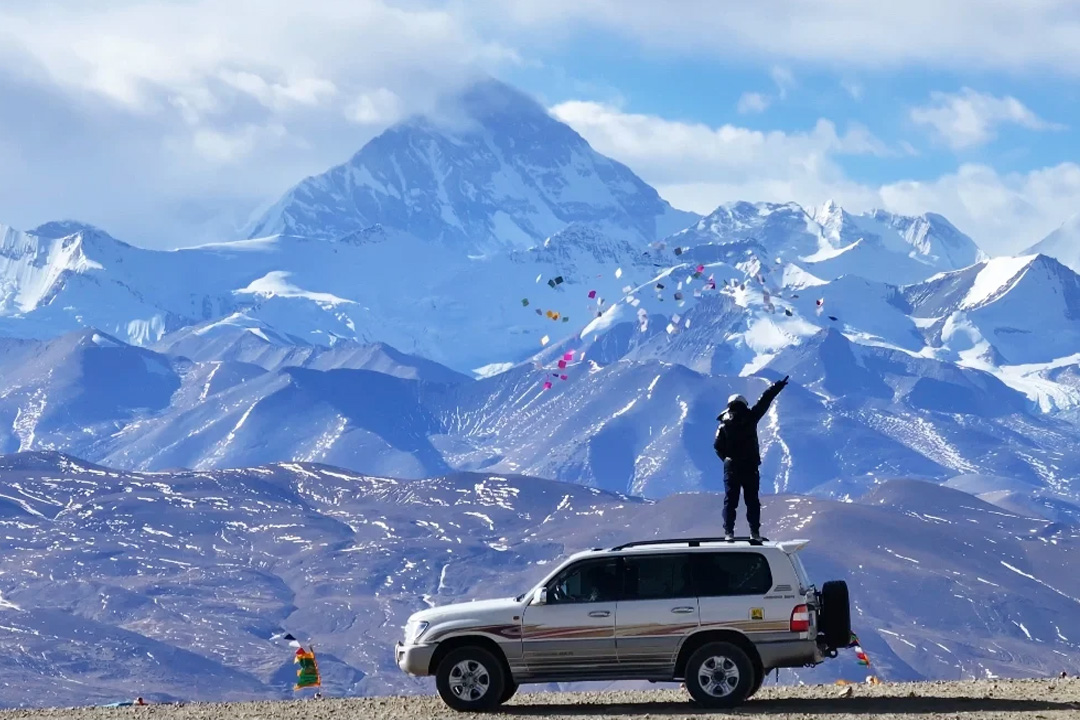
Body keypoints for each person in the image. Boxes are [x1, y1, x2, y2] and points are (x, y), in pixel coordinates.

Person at [713, 376, 789, 542]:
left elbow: (717, 446)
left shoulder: (722, 424)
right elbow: (765, 400)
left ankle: (729, 533)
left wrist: (727, 460)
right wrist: (777, 386)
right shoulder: (751, 417)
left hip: (731, 466)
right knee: (752, 501)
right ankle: (754, 532)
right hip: (750, 466)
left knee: (730, 500)